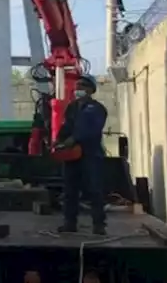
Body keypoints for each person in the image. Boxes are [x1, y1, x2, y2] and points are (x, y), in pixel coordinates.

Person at [54, 74, 109, 235]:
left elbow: (90, 130)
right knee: (70, 190)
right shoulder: (72, 107)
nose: (78, 88)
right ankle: (69, 223)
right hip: (72, 156)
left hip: (90, 155)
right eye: (77, 85)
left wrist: (74, 139)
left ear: (91, 90)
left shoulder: (96, 109)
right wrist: (59, 140)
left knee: (94, 190)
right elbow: (66, 126)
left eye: (83, 86)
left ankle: (99, 225)